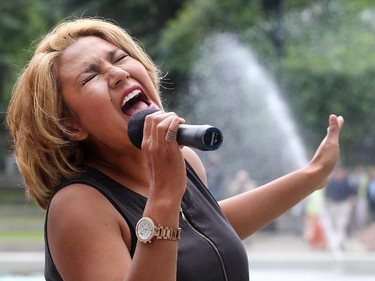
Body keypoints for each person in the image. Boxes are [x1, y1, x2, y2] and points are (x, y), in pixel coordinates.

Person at [6, 17, 344, 281]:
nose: (118, 73)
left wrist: (312, 176)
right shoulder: (78, 206)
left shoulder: (184, 162)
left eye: (120, 57)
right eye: (90, 76)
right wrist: (165, 197)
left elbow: (202, 235)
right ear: (70, 125)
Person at [324, 166, 356, 250]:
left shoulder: (347, 182)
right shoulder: (331, 182)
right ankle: (334, 243)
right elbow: (327, 194)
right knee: (333, 225)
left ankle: (340, 243)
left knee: (341, 224)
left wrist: (350, 201)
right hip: (333, 205)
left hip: (343, 205)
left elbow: (352, 193)